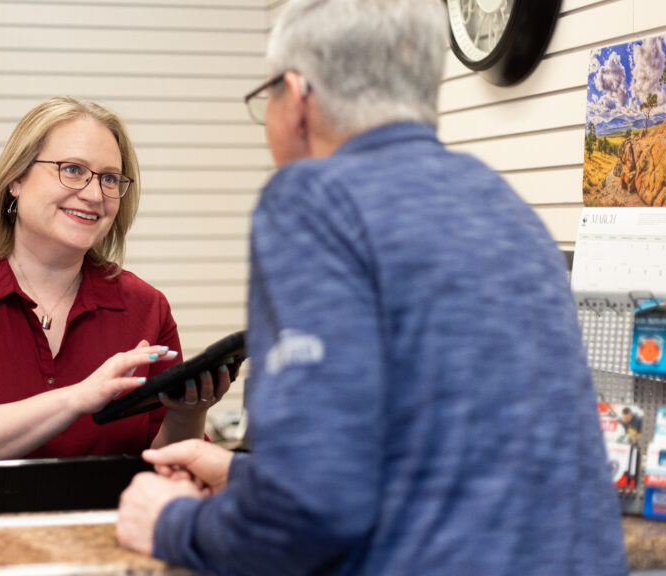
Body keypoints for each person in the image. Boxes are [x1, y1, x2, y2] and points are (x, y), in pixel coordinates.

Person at [115, 1, 628, 574]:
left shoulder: (313, 198)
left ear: (298, 96)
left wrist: (171, 522)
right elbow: (444, 462)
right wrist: (242, 475)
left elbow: (308, 513)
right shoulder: (503, 207)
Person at [0, 96, 229, 518]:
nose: (94, 193)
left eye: (110, 179)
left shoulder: (145, 307)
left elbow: (163, 468)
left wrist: (187, 413)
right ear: (16, 179)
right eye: (73, 170)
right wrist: (77, 398)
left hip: (101, 545)